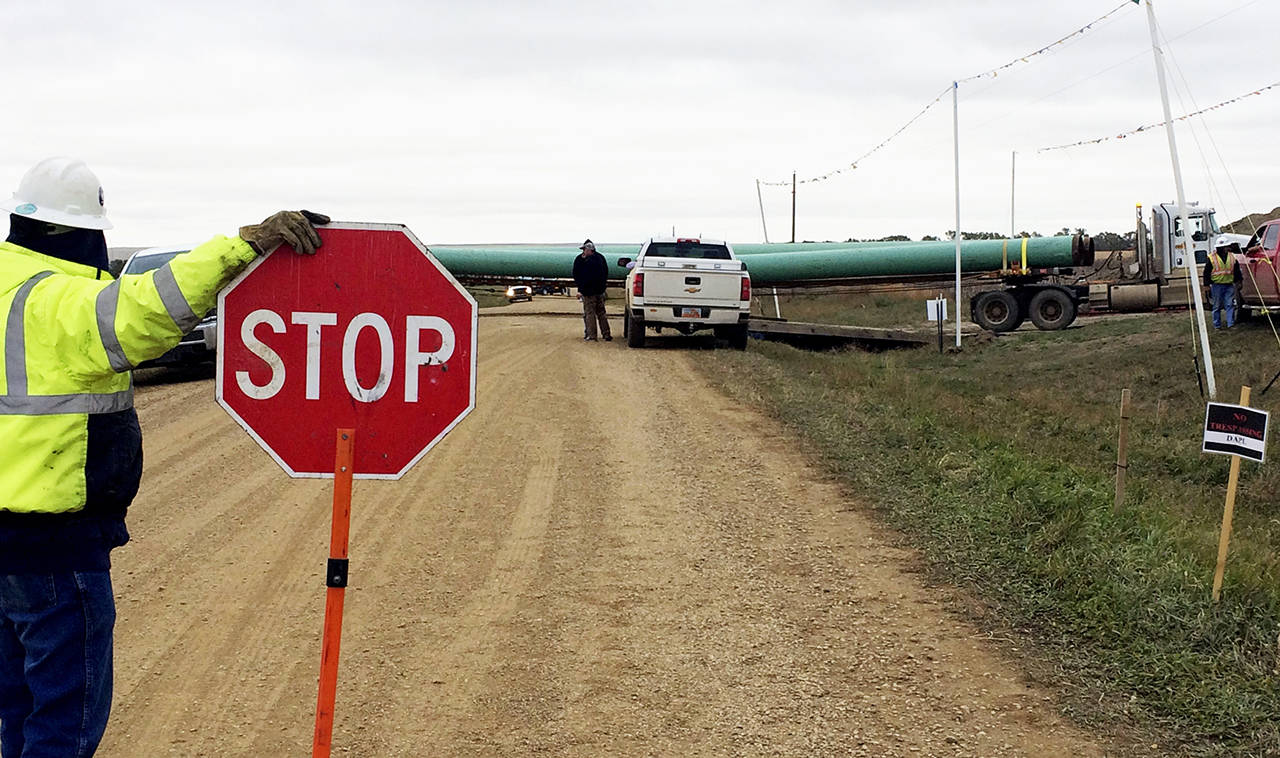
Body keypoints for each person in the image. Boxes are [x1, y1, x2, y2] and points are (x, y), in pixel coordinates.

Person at [0, 156, 328, 757]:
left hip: (8, 549)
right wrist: (242, 245)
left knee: (16, 707)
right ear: (85, 233)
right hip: (52, 543)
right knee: (62, 720)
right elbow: (144, 313)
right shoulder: (53, 299)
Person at [572, 239, 611, 341]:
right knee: (602, 313)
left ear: (589, 250)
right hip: (600, 291)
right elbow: (605, 273)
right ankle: (606, 334)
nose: (583, 251)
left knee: (590, 313)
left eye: (584, 249)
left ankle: (592, 335)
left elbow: (580, 276)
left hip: (589, 292)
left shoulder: (585, 261)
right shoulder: (601, 258)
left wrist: (581, 289)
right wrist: (603, 288)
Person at [1203, 240, 1241, 329]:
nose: (1228, 248)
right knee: (1217, 306)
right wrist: (1206, 285)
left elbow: (1237, 271)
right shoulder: (1212, 258)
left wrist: (1239, 281)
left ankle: (1230, 324)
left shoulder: (1232, 257)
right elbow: (1206, 272)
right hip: (1217, 285)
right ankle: (1217, 325)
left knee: (1230, 304)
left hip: (1229, 284)